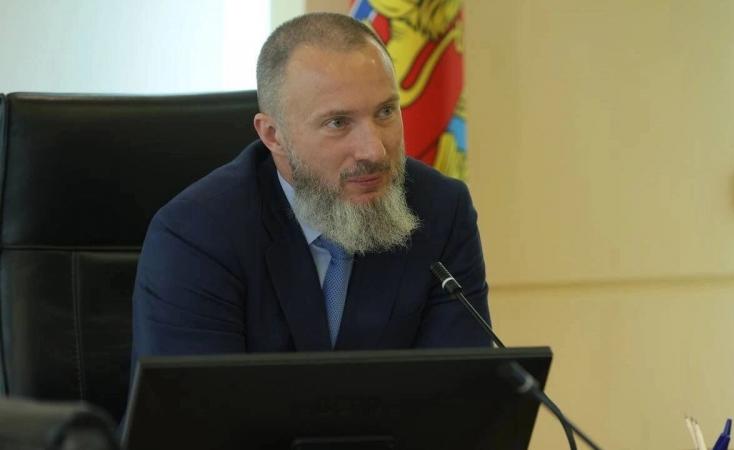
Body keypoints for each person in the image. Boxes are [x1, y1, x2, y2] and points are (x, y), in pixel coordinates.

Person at [131, 12, 490, 361]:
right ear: (274, 136)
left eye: (385, 112)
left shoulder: (441, 209)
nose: (374, 151)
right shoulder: (197, 234)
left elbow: (461, 388)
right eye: (338, 123)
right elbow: (198, 399)